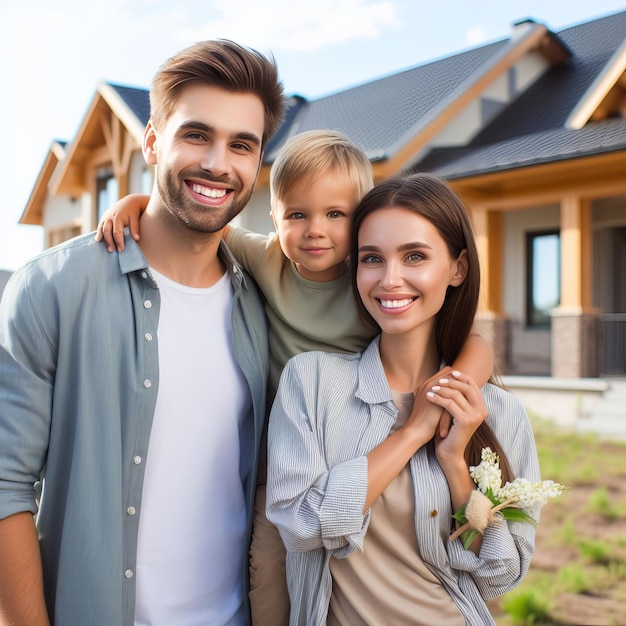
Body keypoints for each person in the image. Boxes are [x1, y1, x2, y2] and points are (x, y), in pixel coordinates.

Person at [97, 131, 495, 625]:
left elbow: (476, 344)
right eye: (297, 215)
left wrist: (447, 392)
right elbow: (193, 223)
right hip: (282, 453)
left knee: (364, 559)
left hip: (359, 437)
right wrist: (137, 202)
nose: (315, 231)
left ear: (362, 220)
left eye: (336, 215)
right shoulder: (264, 258)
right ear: (274, 217)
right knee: (266, 564)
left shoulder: (371, 280)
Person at [0, 39, 285, 626]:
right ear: (152, 141)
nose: (218, 163)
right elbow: (5, 486)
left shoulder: (264, 302)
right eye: (197, 135)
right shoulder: (50, 289)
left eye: (241, 145)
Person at [265, 172, 541, 626]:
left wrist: (455, 464)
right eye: (372, 258)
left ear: (458, 269)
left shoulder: (500, 412)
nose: (390, 280)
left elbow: (500, 576)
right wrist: (415, 431)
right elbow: (300, 525)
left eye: (414, 256)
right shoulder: (312, 382)